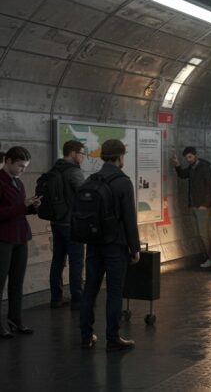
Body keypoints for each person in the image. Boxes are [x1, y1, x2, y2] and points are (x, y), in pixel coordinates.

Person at [80, 139, 140, 351]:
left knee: (90, 290)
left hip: (94, 244)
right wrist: (135, 249)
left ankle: (86, 336)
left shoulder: (92, 179)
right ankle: (113, 338)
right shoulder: (123, 182)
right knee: (114, 292)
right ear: (119, 157)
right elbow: (129, 219)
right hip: (116, 245)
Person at [0, 146, 39, 337]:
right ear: (8, 161)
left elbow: (17, 210)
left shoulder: (18, 183)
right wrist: (21, 205)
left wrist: (31, 207)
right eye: (20, 166)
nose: (22, 170)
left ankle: (15, 320)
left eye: (25, 167)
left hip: (20, 237)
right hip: (3, 238)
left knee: (17, 282)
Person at [48, 140, 86, 309]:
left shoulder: (54, 169)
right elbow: (85, 195)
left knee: (57, 260)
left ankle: (56, 298)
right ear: (72, 153)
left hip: (56, 222)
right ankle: (77, 299)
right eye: (81, 153)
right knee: (76, 261)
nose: (83, 156)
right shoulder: (74, 172)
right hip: (72, 224)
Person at [172, 147, 211, 268]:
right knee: (198, 234)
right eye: (187, 158)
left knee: (203, 234)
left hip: (202, 207)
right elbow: (183, 175)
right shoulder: (192, 168)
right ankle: (206, 257)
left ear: (196, 155)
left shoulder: (204, 167)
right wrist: (177, 165)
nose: (188, 160)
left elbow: (210, 186)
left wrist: (205, 205)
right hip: (194, 205)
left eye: (190, 157)